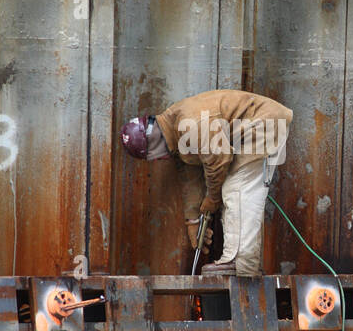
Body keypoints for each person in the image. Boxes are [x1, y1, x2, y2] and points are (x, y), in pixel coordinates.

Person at [120, 90, 292, 277]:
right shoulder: (174, 133)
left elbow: (218, 159)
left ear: (152, 144)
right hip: (251, 128)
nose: (157, 160)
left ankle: (241, 262)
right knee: (234, 190)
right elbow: (190, 179)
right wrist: (193, 221)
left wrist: (212, 198)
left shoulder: (190, 124)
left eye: (151, 156)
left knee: (237, 189)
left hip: (263, 123)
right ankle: (242, 260)